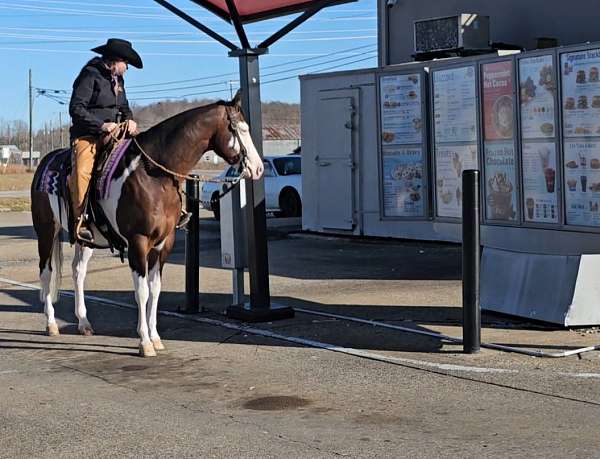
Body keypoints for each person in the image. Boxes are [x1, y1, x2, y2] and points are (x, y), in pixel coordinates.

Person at [68, 38, 142, 243]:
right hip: (88, 136)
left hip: (115, 133)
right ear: (116, 60)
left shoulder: (119, 80)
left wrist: (130, 120)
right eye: (126, 63)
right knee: (82, 171)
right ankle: (80, 220)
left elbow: (124, 107)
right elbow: (76, 108)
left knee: (140, 155)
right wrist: (101, 125)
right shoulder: (89, 75)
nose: (127, 68)